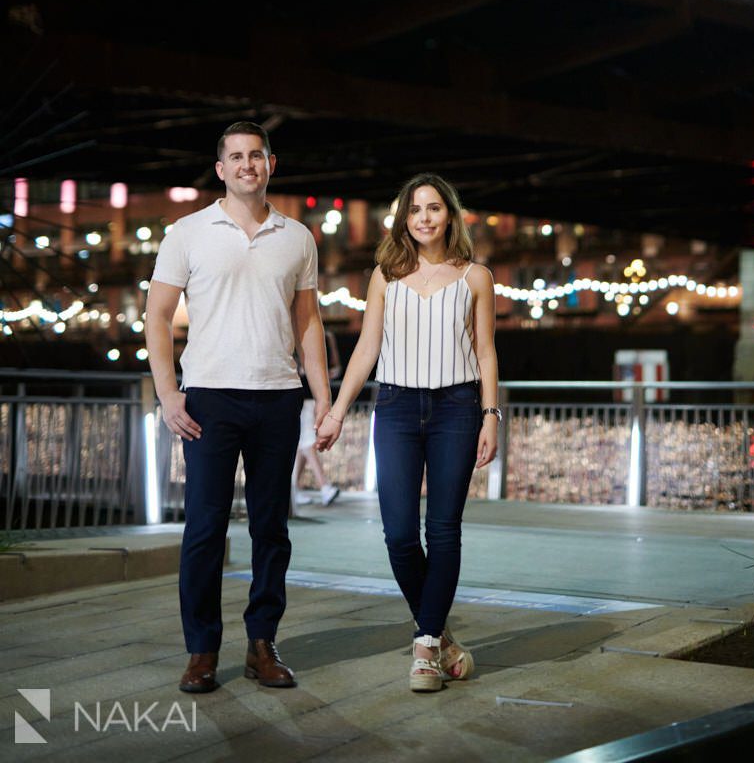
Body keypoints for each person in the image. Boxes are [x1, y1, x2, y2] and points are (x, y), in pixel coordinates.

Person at [145, 121, 332, 694]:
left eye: (257, 155)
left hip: (278, 397)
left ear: (270, 165)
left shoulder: (298, 237)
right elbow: (156, 316)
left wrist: (323, 396)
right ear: (221, 169)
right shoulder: (187, 232)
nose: (247, 164)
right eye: (236, 157)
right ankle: (202, 651)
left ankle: (261, 644)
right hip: (209, 397)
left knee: (272, 528)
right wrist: (168, 391)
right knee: (204, 528)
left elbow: (307, 323)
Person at [317, 173, 500, 693]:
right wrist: (336, 412)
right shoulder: (385, 275)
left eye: (434, 208)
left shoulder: (475, 277)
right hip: (394, 407)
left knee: (442, 531)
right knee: (398, 534)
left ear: (450, 215)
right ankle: (442, 637)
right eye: (415, 209)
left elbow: (486, 352)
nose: (424, 217)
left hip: (457, 409)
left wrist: (491, 414)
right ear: (404, 220)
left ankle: (424, 648)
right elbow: (366, 350)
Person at [293, 330, 341, 507]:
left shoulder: (326, 336)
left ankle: (293, 489)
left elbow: (335, 367)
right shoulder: (300, 334)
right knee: (307, 443)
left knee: (303, 445)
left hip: (316, 398)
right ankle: (324, 486)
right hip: (304, 398)